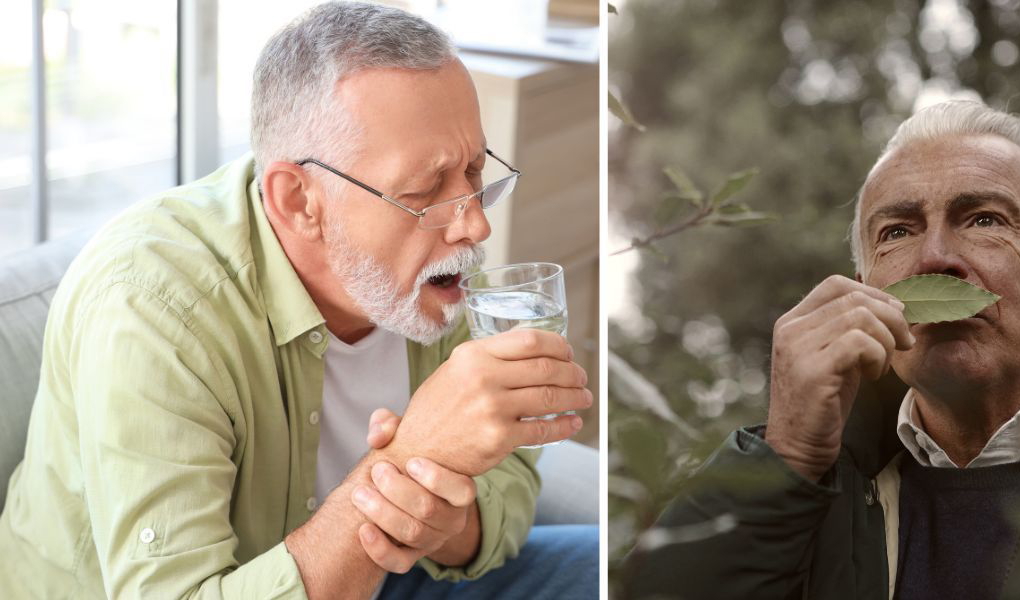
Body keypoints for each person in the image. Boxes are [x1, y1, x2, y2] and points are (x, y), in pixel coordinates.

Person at [0, 3, 597, 598]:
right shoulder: (152, 307)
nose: (474, 225)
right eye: (423, 190)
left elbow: (511, 477)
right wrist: (411, 460)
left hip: (380, 574)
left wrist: (445, 525)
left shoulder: (436, 254)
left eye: (472, 171)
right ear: (299, 201)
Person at [626, 100, 1020, 599]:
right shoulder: (815, 482)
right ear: (865, 284)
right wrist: (787, 460)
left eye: (983, 219)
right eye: (897, 232)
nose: (934, 259)